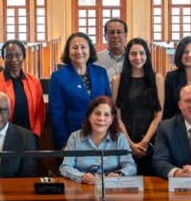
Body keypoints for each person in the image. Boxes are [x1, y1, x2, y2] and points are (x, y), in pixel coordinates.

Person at [48, 32, 111, 149]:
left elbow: (109, 105)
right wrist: (64, 143)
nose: (79, 51)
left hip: (101, 137)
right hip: (72, 138)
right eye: (74, 47)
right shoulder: (58, 77)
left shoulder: (101, 73)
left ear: (90, 50)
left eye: (83, 47)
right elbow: (57, 113)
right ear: (68, 51)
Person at [111, 38, 164, 176]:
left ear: (147, 55)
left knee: (151, 186)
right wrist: (130, 143)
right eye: (133, 54)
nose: (138, 57)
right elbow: (117, 115)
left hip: (151, 140)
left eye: (142, 53)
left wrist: (145, 141)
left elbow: (158, 115)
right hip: (124, 139)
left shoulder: (157, 78)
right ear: (127, 56)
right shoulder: (118, 80)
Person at [60, 96, 137, 182]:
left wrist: (119, 174)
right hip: (82, 188)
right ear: (89, 116)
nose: (101, 118)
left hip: (112, 189)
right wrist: (81, 176)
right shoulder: (75, 137)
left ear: (112, 119)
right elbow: (65, 167)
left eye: (106, 115)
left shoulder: (120, 139)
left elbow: (131, 167)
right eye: (97, 113)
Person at [0, 39, 45, 139]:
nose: (14, 59)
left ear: (24, 57)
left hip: (30, 136)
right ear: (3, 58)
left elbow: (40, 112)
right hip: (4, 137)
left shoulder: (34, 81)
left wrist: (36, 133)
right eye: (9, 56)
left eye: (18, 55)